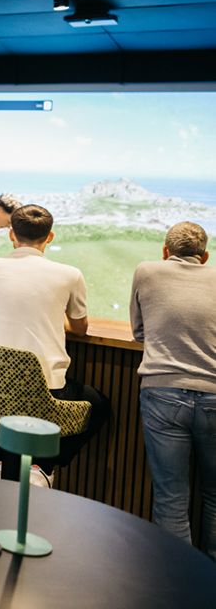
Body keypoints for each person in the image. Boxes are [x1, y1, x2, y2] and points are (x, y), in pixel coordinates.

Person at [0, 204, 110, 487]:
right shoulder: (70, 274)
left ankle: (1, 460)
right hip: (47, 388)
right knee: (97, 405)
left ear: (11, 235)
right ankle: (43, 466)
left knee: (0, 403)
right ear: (50, 237)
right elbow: (80, 327)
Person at [131, 221, 216, 559]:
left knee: (171, 496)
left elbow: (139, 331)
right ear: (205, 256)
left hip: (162, 391)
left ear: (165, 253)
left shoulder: (147, 271)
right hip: (213, 392)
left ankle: (178, 585)